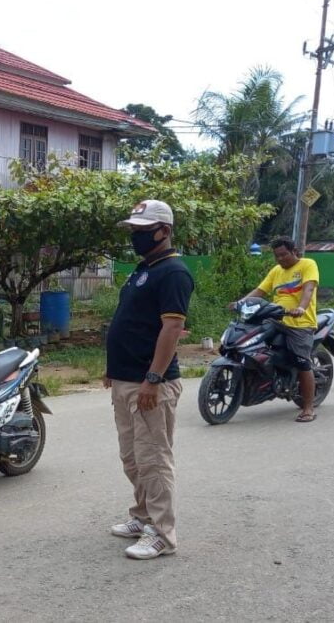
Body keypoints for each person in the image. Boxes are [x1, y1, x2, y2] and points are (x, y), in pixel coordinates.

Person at [104, 199, 194, 560]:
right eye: (134, 231)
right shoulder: (144, 269)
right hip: (126, 379)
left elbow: (172, 328)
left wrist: (153, 379)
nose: (136, 237)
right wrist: (112, 367)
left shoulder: (173, 273)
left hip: (149, 382)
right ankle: (142, 515)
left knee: (154, 458)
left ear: (164, 231)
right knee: (133, 457)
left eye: (142, 231)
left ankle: (162, 533)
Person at [235, 236, 320, 423]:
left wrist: (301, 308)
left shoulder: (307, 265)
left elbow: (308, 289)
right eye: (277, 256)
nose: (280, 259)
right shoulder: (276, 271)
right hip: (275, 320)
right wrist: (240, 303)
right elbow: (260, 291)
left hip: (300, 323)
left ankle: (308, 408)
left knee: (302, 362)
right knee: (253, 344)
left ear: (294, 252)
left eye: (284, 255)